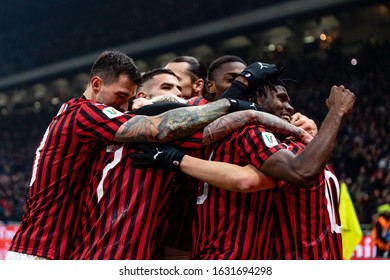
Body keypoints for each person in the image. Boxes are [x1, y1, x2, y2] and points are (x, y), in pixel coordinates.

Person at [5, 50, 260, 260]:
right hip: (41, 249)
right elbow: (153, 127)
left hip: (59, 249)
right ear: (96, 84)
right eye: (120, 96)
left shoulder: (87, 120)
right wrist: (234, 101)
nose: (123, 107)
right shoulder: (85, 113)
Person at [69, 61, 311, 259]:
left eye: (178, 87)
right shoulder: (141, 125)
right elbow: (173, 121)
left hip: (172, 251)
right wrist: (244, 89)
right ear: (141, 96)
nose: (176, 94)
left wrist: (297, 129)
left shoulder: (186, 132)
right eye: (166, 87)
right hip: (105, 255)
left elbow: (214, 129)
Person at [144, 72, 355, 259]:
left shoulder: (294, 147)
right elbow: (275, 175)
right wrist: (334, 114)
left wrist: (177, 160)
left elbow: (250, 179)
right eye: (281, 98)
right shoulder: (250, 135)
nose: (290, 107)